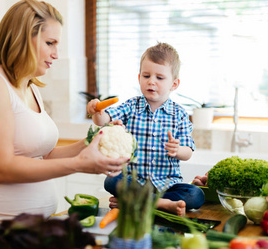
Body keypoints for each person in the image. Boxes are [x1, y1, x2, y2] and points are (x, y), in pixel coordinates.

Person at [0, 0, 128, 249]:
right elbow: (1, 168)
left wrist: (96, 141)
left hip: (29, 237)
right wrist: (80, 165)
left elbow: (44, 155)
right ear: (22, 38)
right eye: (50, 43)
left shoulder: (30, 88)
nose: (56, 54)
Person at [86, 42, 204, 216]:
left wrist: (177, 150)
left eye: (160, 78)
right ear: (139, 77)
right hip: (134, 181)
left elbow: (188, 152)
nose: (151, 82)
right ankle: (159, 204)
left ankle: (136, 201)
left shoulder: (179, 114)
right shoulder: (131, 106)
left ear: (174, 84)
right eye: (146, 76)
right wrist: (96, 110)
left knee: (196, 195)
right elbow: (103, 120)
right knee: (111, 181)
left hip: (167, 185)